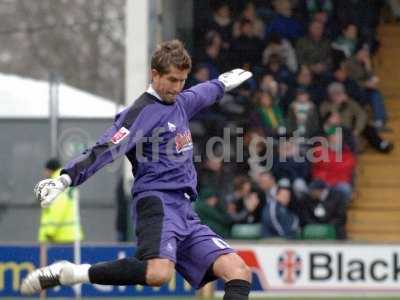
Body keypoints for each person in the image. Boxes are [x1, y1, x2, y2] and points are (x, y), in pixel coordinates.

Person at [21, 40, 253, 300]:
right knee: (158, 274)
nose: (178, 88)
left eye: (182, 80)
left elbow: (203, 93)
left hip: (186, 211)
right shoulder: (140, 113)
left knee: (239, 270)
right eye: (172, 80)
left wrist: (222, 83)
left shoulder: (180, 103)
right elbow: (106, 148)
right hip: (157, 202)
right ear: (154, 74)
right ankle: (73, 273)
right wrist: (65, 179)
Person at [38, 158, 83, 244]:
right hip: (71, 234)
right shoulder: (67, 180)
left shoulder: (56, 184)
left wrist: (49, 231)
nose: (44, 173)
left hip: (60, 236)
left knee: (58, 257)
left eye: (46, 170)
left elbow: (58, 207)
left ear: (50, 170)